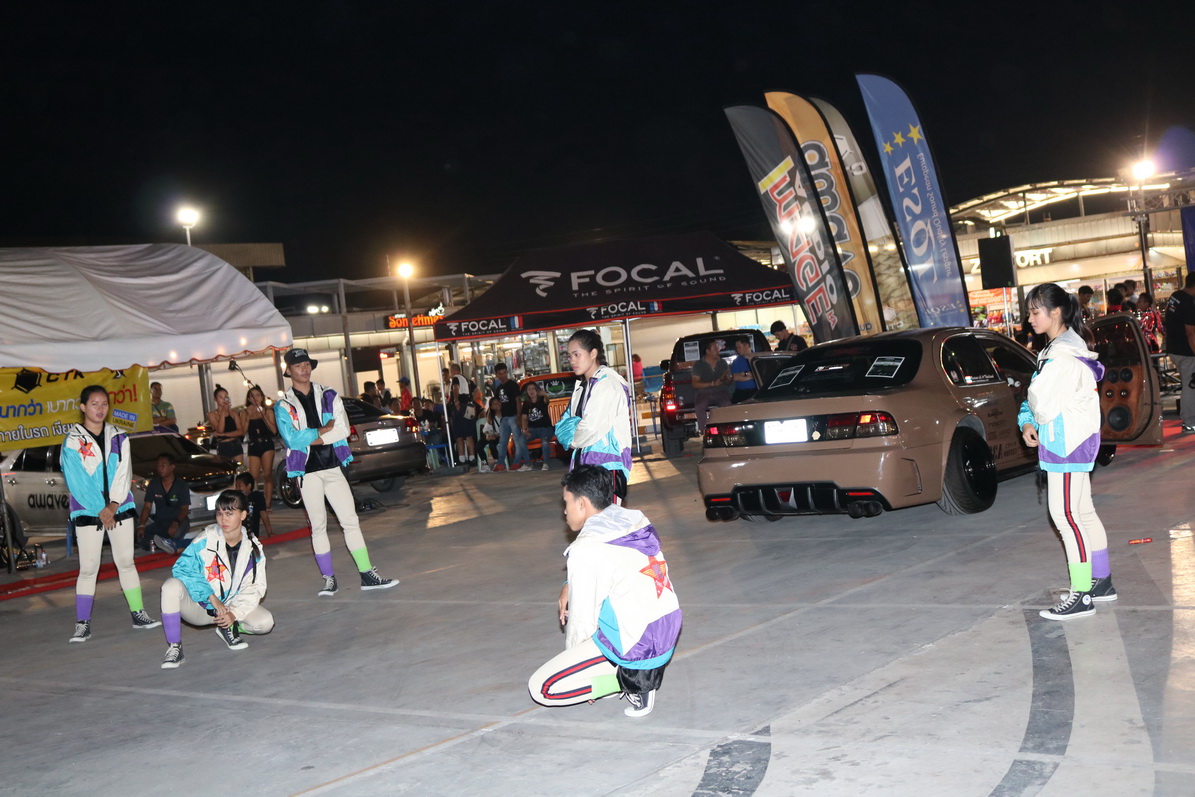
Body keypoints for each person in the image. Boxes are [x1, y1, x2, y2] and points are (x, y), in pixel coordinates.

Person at [528, 466, 682, 717]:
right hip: (665, 629)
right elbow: (615, 565)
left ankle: (630, 682)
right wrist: (570, 584)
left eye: (566, 502)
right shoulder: (635, 520)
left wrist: (584, 675)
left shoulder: (587, 547)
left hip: (637, 647)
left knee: (542, 689)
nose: (564, 510)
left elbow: (581, 621)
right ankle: (628, 672)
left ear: (582, 503)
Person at [1018, 283, 1115, 621]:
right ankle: (1100, 582)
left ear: (1056, 312)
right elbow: (1039, 399)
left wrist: (1028, 417)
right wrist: (1028, 418)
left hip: (1066, 444)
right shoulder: (1066, 346)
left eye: (1035, 312)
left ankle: (1082, 595)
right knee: (1082, 512)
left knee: (1065, 516)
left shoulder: (1060, 354)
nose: (1030, 319)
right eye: (1029, 312)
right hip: (1074, 440)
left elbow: (1039, 401)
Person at [275, 348, 397, 594]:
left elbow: (342, 429)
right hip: (306, 472)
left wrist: (314, 438)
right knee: (318, 526)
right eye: (298, 365)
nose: (304, 369)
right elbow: (291, 440)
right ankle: (329, 579)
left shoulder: (329, 395)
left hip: (332, 466)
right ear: (289, 371)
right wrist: (322, 429)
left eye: (307, 364)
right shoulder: (283, 405)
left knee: (350, 521)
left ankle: (367, 575)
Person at [62, 385, 161, 642]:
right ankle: (82, 623)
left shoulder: (119, 436)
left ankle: (138, 613)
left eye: (104, 404)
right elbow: (77, 480)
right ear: (83, 407)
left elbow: (124, 473)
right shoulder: (72, 441)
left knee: (126, 562)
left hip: (120, 508)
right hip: (88, 511)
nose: (100, 408)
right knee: (88, 568)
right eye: (94, 404)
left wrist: (113, 505)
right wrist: (100, 509)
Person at [158, 489, 274, 669]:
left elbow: (255, 588)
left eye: (229, 513)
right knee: (170, 586)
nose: (223, 519)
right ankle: (175, 647)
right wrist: (211, 597)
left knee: (265, 623)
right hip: (202, 608)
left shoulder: (253, 549)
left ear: (243, 515)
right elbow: (182, 568)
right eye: (219, 514)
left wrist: (233, 614)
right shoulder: (206, 539)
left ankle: (229, 627)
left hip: (231, 607)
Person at [554, 329, 633, 503]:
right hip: (584, 465)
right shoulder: (583, 387)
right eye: (569, 356)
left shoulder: (607, 384)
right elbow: (562, 426)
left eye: (577, 354)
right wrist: (574, 430)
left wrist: (573, 440)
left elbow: (590, 427)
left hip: (606, 466)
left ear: (593, 353)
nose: (572, 360)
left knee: (605, 519)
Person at [138, 453, 191, 554]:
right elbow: (147, 506)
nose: (160, 468)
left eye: (163, 465)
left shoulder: (181, 485)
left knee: (175, 533)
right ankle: (166, 544)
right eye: (158, 465)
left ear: (172, 467)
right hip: (161, 522)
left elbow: (184, 508)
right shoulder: (154, 484)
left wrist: (176, 522)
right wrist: (141, 525)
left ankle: (170, 543)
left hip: (178, 521)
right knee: (141, 537)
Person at [1165, 272, 1195, 434]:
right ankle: (1189, 422)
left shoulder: (1175, 296)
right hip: (1186, 351)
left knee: (1187, 384)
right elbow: (1191, 333)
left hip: (1174, 348)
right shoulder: (1188, 303)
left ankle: (1189, 420)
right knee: (1191, 386)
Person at [241, 385, 278, 507]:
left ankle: (267, 504)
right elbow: (243, 432)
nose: (255, 398)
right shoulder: (245, 412)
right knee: (253, 477)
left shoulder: (268, 411)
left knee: (267, 474)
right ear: (249, 399)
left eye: (258, 395)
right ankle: (254, 503)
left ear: (262, 397)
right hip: (253, 444)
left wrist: (264, 416)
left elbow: (273, 430)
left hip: (266, 443)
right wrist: (248, 418)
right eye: (252, 396)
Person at [493, 363, 530, 472]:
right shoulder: (498, 388)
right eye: (500, 374)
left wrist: (518, 416)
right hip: (504, 418)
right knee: (503, 441)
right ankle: (501, 463)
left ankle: (517, 462)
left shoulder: (513, 385)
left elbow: (518, 400)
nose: (503, 376)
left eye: (504, 373)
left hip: (513, 416)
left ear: (507, 372)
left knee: (517, 440)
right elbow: (497, 403)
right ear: (496, 375)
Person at [692, 338, 733, 431]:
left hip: (720, 391)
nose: (718, 351)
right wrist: (712, 384)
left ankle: (728, 429)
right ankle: (704, 430)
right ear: (708, 351)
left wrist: (727, 379)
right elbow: (695, 383)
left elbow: (728, 382)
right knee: (699, 407)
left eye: (718, 348)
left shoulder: (722, 362)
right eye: (715, 349)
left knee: (727, 404)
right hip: (703, 393)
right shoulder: (699, 364)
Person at [448, 363, 478, 468]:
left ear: (453, 370)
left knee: (459, 435)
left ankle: (461, 459)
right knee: (469, 434)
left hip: (460, 409)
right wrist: (471, 399)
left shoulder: (455, 378)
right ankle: (472, 458)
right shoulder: (467, 379)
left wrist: (456, 400)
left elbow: (455, 388)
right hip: (469, 407)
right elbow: (476, 390)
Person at [207, 384, 245, 464]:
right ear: (215, 399)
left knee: (239, 468)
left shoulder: (233, 413)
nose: (223, 399)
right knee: (227, 468)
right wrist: (223, 412)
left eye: (225, 397)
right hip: (224, 445)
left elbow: (240, 431)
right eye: (220, 397)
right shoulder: (212, 414)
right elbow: (220, 430)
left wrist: (224, 434)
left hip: (236, 443)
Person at [522, 381, 556, 470]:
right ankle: (528, 464)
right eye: (529, 389)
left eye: (533, 389)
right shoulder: (526, 403)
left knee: (544, 441)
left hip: (545, 428)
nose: (531, 391)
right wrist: (525, 429)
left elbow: (547, 399)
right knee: (520, 440)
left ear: (537, 390)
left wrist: (543, 393)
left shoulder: (542, 400)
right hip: (532, 430)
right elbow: (524, 417)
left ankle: (546, 463)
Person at [236, 471, 273, 538]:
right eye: (236, 486)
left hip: (252, 534)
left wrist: (269, 532)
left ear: (249, 486)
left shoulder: (257, 496)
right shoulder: (236, 498)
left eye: (240, 486)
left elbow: (263, 514)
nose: (237, 489)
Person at [729, 336, 757, 404]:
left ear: (746, 346)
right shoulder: (737, 361)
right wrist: (749, 375)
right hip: (741, 391)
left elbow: (760, 374)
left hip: (756, 390)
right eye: (737, 348)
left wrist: (742, 374)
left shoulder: (757, 358)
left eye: (739, 347)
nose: (737, 350)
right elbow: (735, 377)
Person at [478, 397, 502, 472]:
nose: (497, 405)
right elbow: (486, 429)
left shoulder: (505, 416)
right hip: (492, 434)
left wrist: (496, 436)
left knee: (492, 444)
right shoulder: (491, 416)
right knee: (479, 445)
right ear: (491, 407)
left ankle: (497, 461)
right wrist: (488, 435)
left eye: (498, 402)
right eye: (494, 404)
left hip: (501, 435)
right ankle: (485, 463)